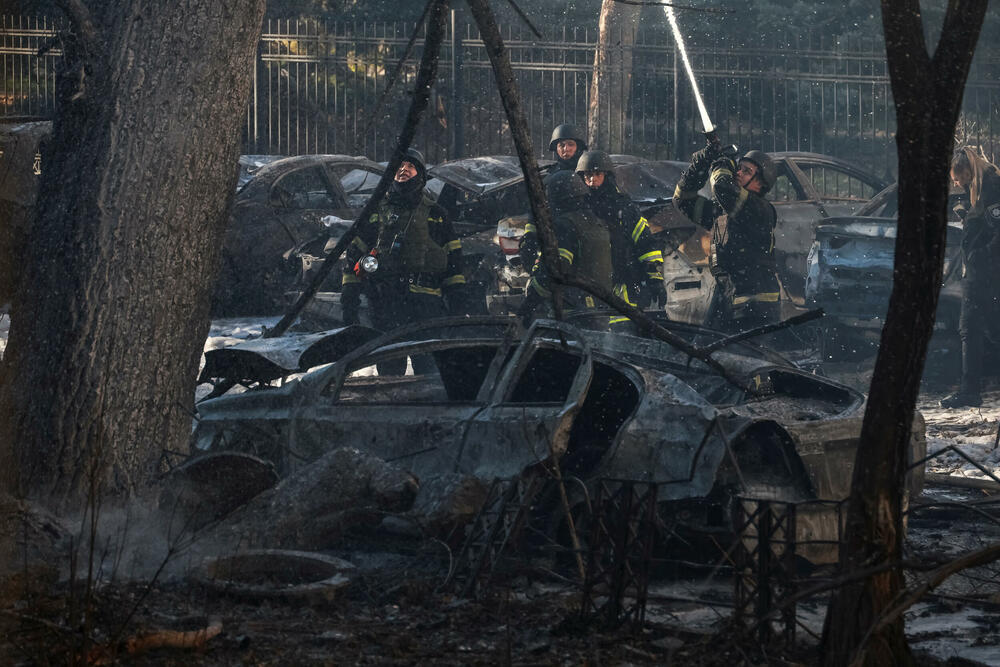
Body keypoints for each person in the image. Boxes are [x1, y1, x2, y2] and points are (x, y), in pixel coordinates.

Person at [341, 148, 467, 375]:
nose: (403, 170)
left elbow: (454, 263)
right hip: (386, 305)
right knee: (389, 373)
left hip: (426, 308)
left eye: (410, 166)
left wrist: (457, 302)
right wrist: (349, 300)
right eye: (399, 166)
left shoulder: (436, 214)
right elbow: (354, 260)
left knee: (429, 373)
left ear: (421, 175)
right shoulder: (375, 213)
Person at [673, 145, 780, 333]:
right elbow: (682, 199)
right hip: (727, 296)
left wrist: (722, 162)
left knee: (742, 351)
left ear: (761, 184)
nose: (738, 173)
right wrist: (701, 164)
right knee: (704, 346)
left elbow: (722, 187)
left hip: (755, 306)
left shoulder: (760, 210)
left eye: (747, 171)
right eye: (739, 167)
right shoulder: (723, 213)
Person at [575, 150, 664, 331]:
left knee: (623, 332)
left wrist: (654, 277)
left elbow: (644, 242)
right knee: (590, 333)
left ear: (606, 175)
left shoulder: (623, 206)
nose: (592, 180)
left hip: (622, 279)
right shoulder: (577, 207)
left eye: (597, 174)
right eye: (588, 175)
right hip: (586, 284)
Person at [941, 147, 1000, 408]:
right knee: (979, 329)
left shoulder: (991, 186)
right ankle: (970, 390)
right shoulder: (979, 187)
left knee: (972, 328)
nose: (956, 184)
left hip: (986, 272)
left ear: (967, 171)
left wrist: (981, 254)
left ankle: (970, 390)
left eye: (957, 179)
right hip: (980, 271)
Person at [519, 170, 613, 324]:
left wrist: (530, 303)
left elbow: (555, 270)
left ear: (556, 199)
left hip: (571, 313)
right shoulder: (596, 223)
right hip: (600, 309)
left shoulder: (564, 226)